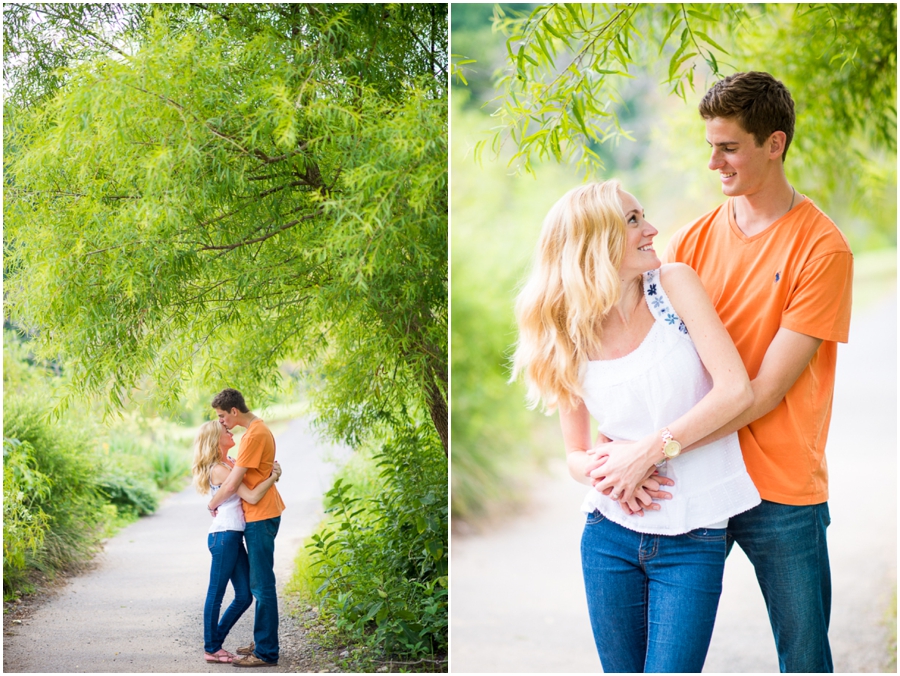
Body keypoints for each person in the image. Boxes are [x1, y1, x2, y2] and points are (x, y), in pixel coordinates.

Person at [511, 179, 761, 672]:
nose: (652, 229)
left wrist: (647, 452)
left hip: (693, 534)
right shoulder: (568, 329)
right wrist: (611, 472)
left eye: (643, 216)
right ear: (594, 241)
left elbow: (736, 390)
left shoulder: (673, 286)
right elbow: (575, 457)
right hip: (608, 534)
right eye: (632, 221)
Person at [662, 71, 853, 673]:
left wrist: (661, 447)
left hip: (782, 488)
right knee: (667, 657)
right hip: (699, 479)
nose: (714, 162)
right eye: (710, 146)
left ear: (775, 143)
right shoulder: (689, 242)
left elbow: (766, 391)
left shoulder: (823, 249)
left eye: (729, 147)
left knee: (804, 658)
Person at [207, 388, 286, 668]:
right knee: (259, 583)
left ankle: (266, 652)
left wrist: (212, 503)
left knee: (261, 585)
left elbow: (231, 484)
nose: (221, 422)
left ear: (234, 412)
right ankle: (264, 641)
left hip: (259, 514)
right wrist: (274, 475)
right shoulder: (257, 429)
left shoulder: (253, 435)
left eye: (221, 416)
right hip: (261, 512)